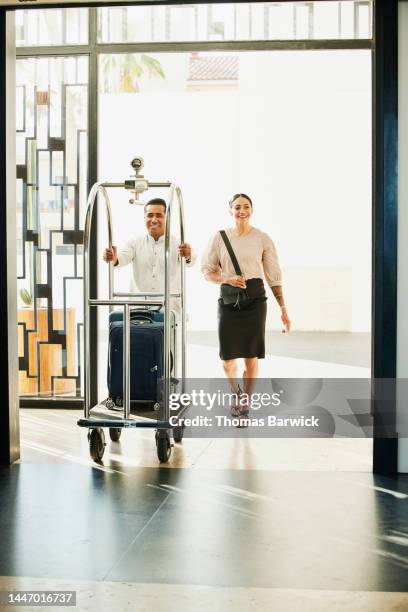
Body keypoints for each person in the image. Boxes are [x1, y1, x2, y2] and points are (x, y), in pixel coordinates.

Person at [201, 193, 291, 419]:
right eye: (237, 206)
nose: (242, 210)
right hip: (229, 300)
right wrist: (227, 279)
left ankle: (245, 405)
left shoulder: (262, 238)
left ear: (252, 210)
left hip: (255, 300)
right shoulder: (219, 237)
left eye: (246, 206)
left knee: (251, 357)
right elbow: (207, 272)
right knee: (228, 359)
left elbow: (273, 276)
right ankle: (236, 393)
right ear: (230, 210)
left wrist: (283, 310)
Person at [103, 197, 196, 311]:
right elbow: (120, 259)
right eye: (150, 215)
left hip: (168, 309)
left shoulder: (178, 243)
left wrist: (188, 255)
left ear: (167, 218)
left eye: (159, 215)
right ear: (144, 218)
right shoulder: (135, 242)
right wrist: (113, 257)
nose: (154, 220)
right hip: (138, 309)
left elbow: (191, 261)